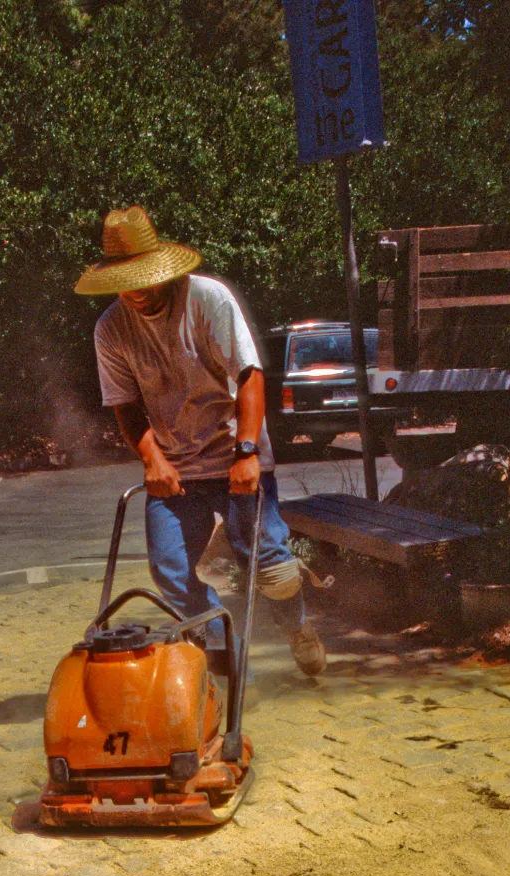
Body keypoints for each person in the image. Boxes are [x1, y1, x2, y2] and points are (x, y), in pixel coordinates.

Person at [75, 205, 326, 676]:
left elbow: (249, 376)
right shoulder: (111, 329)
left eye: (145, 279)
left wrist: (248, 452)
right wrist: (152, 459)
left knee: (273, 568)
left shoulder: (208, 299)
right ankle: (220, 648)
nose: (137, 292)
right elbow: (126, 406)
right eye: (126, 282)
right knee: (170, 570)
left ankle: (296, 629)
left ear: (164, 272)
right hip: (176, 466)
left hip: (236, 453)